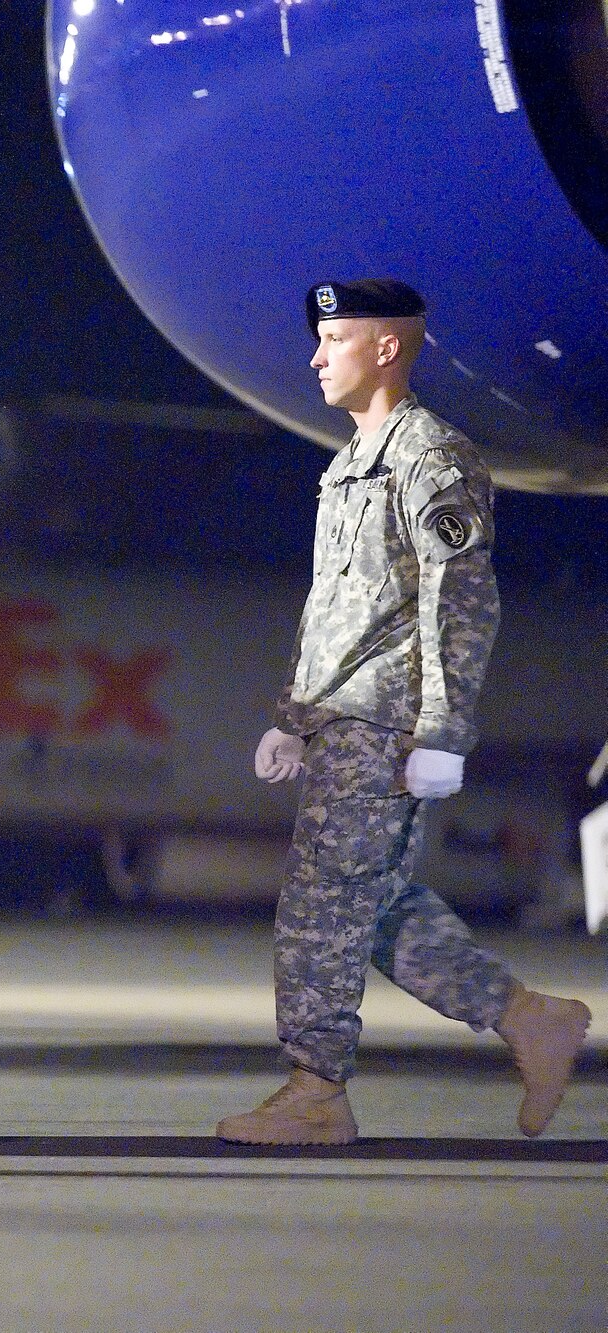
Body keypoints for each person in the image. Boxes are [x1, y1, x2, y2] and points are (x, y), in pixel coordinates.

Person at [218, 278, 591, 1145]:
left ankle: (316, 1091)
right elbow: (338, 609)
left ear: (386, 348)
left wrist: (443, 733)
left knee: (320, 904)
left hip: (387, 723)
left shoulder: (433, 459)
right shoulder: (349, 464)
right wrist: (296, 713)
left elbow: (458, 603)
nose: (315, 356)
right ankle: (530, 1017)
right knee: (373, 905)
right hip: (344, 718)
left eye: (334, 338)